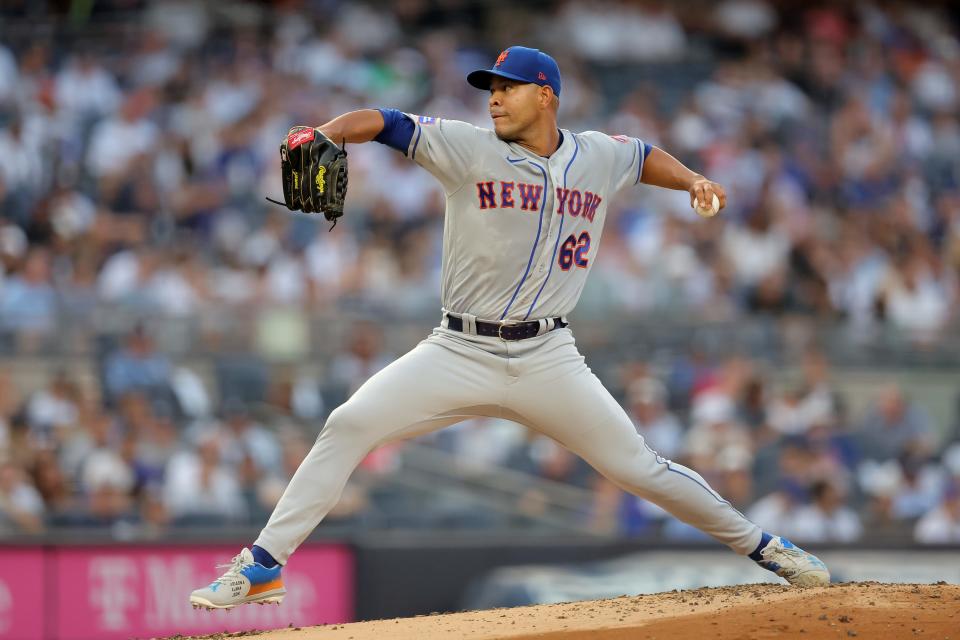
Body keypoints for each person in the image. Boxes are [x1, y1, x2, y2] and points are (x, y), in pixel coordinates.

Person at [190, 46, 829, 610]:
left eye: (506, 87)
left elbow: (641, 157)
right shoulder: (467, 147)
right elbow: (386, 121)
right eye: (489, 89)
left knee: (639, 467)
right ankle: (263, 567)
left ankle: (768, 548)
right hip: (458, 348)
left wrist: (691, 179)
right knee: (349, 424)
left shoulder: (596, 156)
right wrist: (330, 130)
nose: (493, 99)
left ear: (545, 94)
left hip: (550, 356)